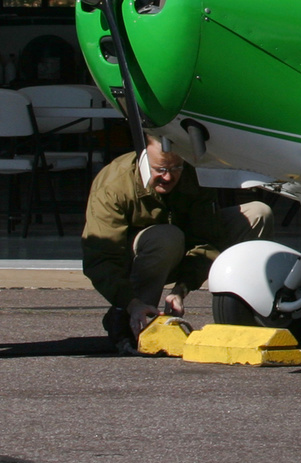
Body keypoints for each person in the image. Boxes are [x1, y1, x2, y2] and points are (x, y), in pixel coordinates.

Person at [83, 133, 272, 354]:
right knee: (166, 237)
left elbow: (205, 240)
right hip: (138, 258)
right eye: (160, 169)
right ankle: (138, 319)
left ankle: (248, 312)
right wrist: (129, 302)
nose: (167, 177)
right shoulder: (114, 184)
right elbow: (100, 257)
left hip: (182, 249)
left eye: (175, 169)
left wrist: (181, 289)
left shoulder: (194, 174)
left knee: (258, 213)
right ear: (143, 159)